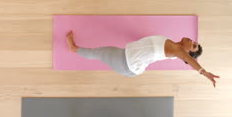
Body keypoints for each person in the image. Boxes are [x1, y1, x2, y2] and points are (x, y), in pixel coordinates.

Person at [66, 31, 220, 87]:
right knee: (99, 53)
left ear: (187, 53)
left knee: (97, 53)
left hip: (126, 64)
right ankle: (75, 49)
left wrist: (203, 72)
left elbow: (188, 59)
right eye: (194, 42)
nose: (192, 41)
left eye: (193, 45)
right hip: (127, 59)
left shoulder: (178, 51)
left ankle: (74, 48)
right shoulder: (173, 44)